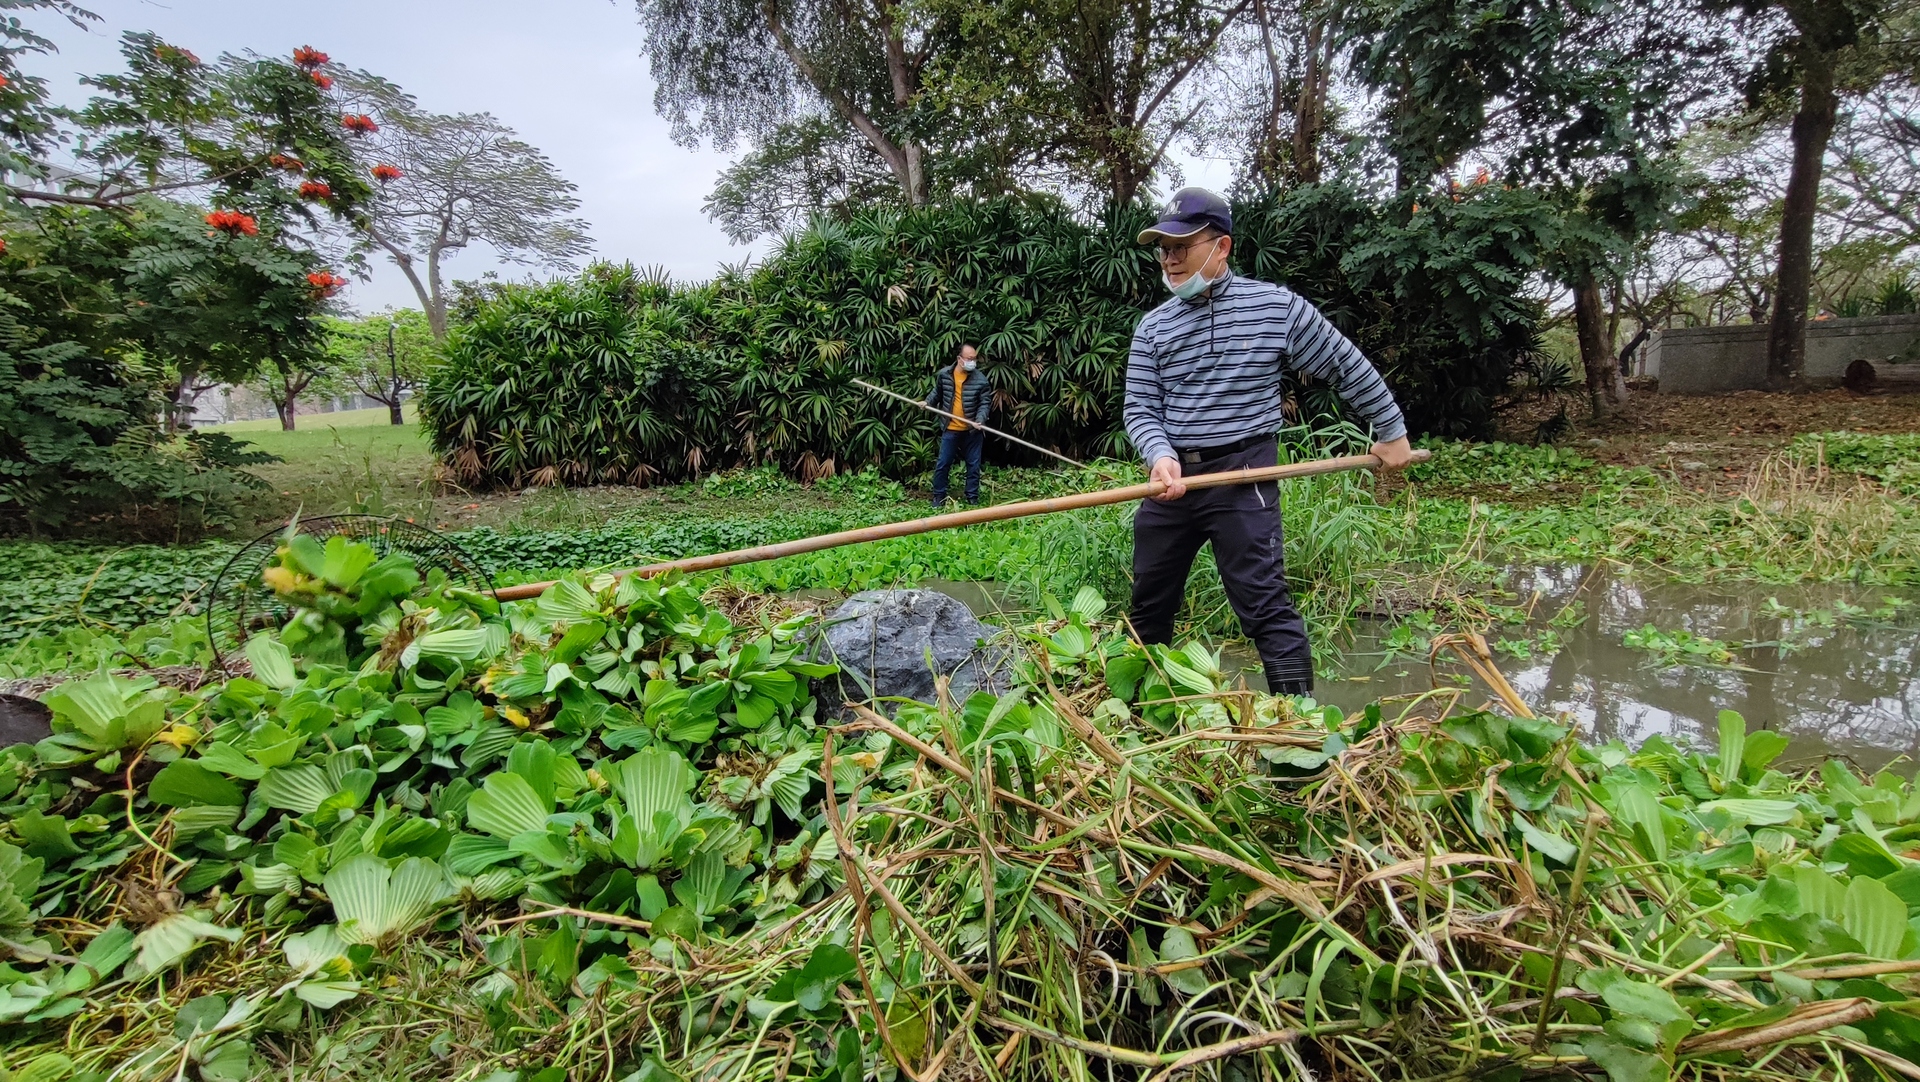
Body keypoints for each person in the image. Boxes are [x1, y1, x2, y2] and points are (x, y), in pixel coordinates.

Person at [1123, 187, 1415, 697]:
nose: (1169, 259)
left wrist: (1391, 434)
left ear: (1221, 247)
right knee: (1148, 602)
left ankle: (1297, 731)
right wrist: (1160, 455)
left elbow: (1346, 367)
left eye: (1182, 246)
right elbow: (1141, 409)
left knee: (1262, 603)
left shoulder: (1275, 309)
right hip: (1172, 484)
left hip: (1244, 476)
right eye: (1163, 248)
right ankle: (1138, 716)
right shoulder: (1153, 327)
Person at [926, 343, 990, 507]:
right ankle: (938, 497)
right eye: (969, 359)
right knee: (943, 463)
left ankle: (972, 497)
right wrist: (927, 402)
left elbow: (984, 403)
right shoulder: (945, 375)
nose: (972, 362)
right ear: (959, 359)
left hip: (971, 431)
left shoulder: (981, 380)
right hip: (951, 429)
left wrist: (980, 420)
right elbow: (937, 393)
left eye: (974, 359)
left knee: (973, 466)